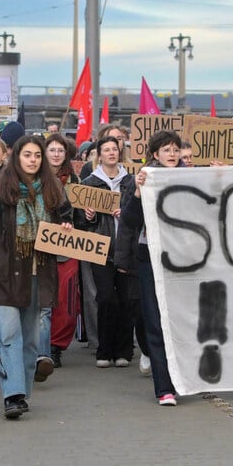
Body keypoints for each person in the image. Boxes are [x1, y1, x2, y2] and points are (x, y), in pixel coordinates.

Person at [0, 135, 73, 419]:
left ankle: (22, 392)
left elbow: (66, 222)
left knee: (29, 340)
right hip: (4, 275)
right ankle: (11, 394)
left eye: (37, 155)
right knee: (7, 334)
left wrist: (66, 228)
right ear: (16, 158)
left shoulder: (53, 191)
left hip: (39, 273)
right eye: (27, 155)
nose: (33, 160)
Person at [118, 129, 183, 406]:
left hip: (182, 258)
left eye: (175, 149)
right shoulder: (143, 179)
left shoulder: (189, 177)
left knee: (179, 321)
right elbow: (130, 222)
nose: (172, 154)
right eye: (166, 150)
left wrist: (215, 176)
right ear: (155, 154)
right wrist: (137, 192)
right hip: (150, 257)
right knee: (155, 321)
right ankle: (164, 387)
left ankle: (182, 379)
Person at [78, 135, 137, 369]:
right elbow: (80, 223)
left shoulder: (130, 182)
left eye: (115, 149)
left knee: (126, 299)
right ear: (99, 155)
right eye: (107, 150)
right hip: (101, 249)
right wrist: (88, 216)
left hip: (125, 249)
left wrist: (128, 214)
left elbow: (139, 213)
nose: (112, 153)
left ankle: (124, 351)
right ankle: (104, 349)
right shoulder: (89, 183)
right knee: (105, 298)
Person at [41, 133, 80, 370]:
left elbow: (84, 219)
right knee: (42, 298)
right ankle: (41, 346)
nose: (56, 154)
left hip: (67, 246)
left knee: (66, 299)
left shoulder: (76, 180)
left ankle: (56, 346)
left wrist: (87, 215)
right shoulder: (33, 177)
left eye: (60, 150)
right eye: (52, 150)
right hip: (40, 244)